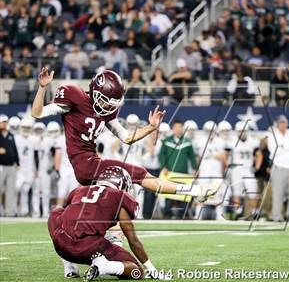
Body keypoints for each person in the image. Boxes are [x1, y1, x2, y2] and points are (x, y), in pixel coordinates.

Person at [31, 67, 220, 206]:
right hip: (85, 165)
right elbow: (37, 113)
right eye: (106, 102)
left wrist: (151, 127)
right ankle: (197, 191)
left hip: (93, 162)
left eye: (112, 103)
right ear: (95, 91)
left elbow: (127, 137)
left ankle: (196, 191)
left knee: (127, 191)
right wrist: (42, 88)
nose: (108, 107)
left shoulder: (106, 112)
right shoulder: (75, 96)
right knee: (138, 177)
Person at [48, 166, 165, 281]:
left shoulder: (78, 191)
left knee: (56, 212)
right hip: (88, 248)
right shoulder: (120, 196)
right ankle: (104, 266)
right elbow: (133, 241)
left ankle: (69, 266)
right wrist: (151, 269)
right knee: (136, 271)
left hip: (61, 244)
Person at [159, 120, 197, 219]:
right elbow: (161, 155)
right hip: (170, 173)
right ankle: (167, 215)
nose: (178, 130)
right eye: (176, 127)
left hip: (183, 174)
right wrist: (163, 167)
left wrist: (194, 168)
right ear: (172, 129)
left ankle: (183, 215)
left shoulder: (187, 142)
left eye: (180, 127)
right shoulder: (167, 141)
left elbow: (192, 157)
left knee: (183, 195)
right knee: (168, 195)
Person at [230, 121, 260, 220]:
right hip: (236, 170)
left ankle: (254, 213)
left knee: (252, 193)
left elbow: (259, 155)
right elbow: (226, 156)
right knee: (237, 193)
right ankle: (238, 212)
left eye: (244, 131)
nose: (242, 133)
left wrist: (256, 167)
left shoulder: (253, 141)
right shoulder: (232, 141)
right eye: (240, 131)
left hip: (248, 170)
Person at [15, 117, 36, 216]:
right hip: (19, 168)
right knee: (16, 189)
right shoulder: (16, 138)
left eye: (28, 128)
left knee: (25, 191)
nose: (26, 130)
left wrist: (34, 169)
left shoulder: (33, 139)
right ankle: (14, 210)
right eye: (24, 128)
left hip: (29, 168)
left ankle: (24, 211)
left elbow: (36, 156)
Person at [0, 115, 19, 217]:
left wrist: (18, 162)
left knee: (10, 189)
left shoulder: (11, 135)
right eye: (2, 122)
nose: (4, 124)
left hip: (11, 166)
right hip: (1, 166)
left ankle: (9, 211)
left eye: (5, 122)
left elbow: (14, 150)